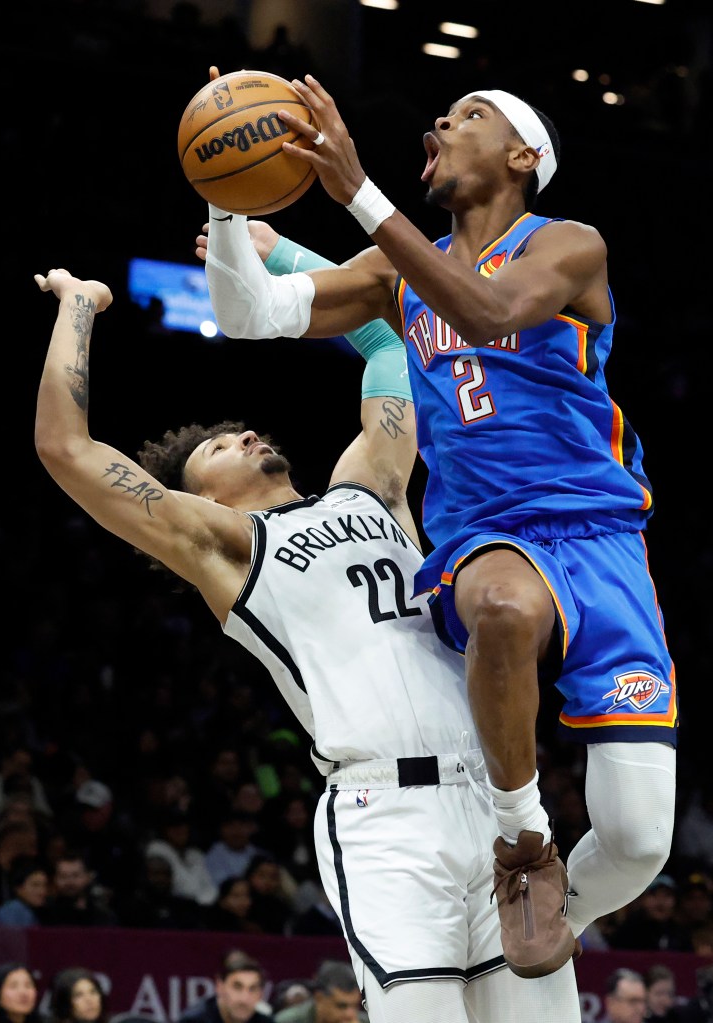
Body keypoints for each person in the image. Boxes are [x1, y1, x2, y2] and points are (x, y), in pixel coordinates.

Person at [198, 64, 678, 980]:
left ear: (522, 154)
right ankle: (521, 843)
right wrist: (223, 205)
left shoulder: (568, 245)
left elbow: (492, 313)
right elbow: (248, 312)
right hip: (486, 530)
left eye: (468, 115)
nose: (440, 123)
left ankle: (523, 917)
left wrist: (356, 192)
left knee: (637, 839)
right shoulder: (394, 272)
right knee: (498, 606)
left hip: (604, 539)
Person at [33, 248, 580, 1021]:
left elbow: (392, 336)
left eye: (242, 429)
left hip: (499, 800)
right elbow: (68, 450)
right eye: (220, 448)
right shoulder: (227, 547)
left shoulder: (373, 482)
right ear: (205, 494)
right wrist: (78, 305)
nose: (246, 434)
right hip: (385, 814)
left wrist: (281, 256)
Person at [176, 950, 270, 1023]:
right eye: (237, 987)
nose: (244, 998)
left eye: (252, 989)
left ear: (261, 994)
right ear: (219, 987)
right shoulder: (194, 1021)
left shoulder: (264, 1021)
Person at [272, 961, 365, 1023]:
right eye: (341, 1006)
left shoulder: (368, 1021)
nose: (350, 1014)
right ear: (319, 998)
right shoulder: (288, 1021)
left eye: (355, 1006)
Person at [0, 856, 49, 927]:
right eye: (35, 885)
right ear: (19, 888)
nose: (42, 891)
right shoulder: (13, 910)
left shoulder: (33, 911)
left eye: (45, 885)